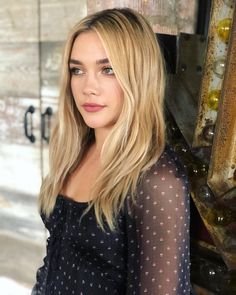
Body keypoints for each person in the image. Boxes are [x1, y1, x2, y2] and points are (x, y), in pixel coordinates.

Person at [32, 7, 190, 295]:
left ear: (138, 76)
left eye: (108, 70)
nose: (87, 87)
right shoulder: (76, 152)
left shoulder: (157, 179)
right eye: (77, 70)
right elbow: (55, 261)